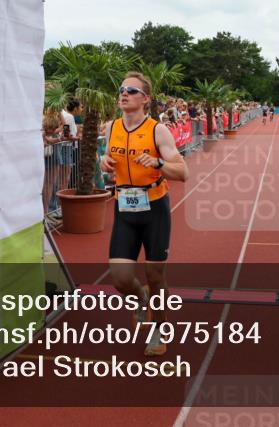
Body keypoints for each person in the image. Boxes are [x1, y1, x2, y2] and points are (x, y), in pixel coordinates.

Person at [100, 72, 188, 357]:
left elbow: (183, 172)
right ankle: (141, 300)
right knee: (121, 278)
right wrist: (104, 161)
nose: (124, 94)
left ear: (145, 99)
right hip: (124, 207)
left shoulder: (156, 131)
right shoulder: (110, 127)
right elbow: (106, 161)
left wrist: (158, 162)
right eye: (121, 89)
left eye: (131, 90)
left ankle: (159, 328)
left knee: (155, 275)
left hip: (154, 208)